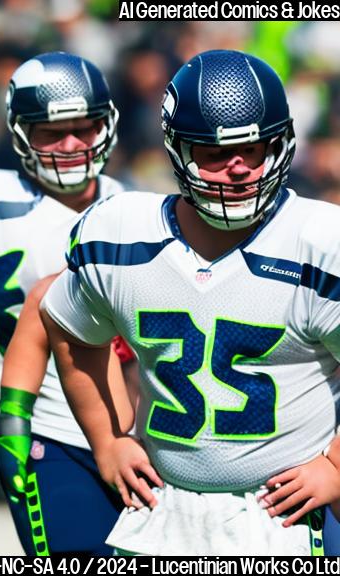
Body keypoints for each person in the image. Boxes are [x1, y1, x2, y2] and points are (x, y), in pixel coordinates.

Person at [40, 49, 340, 555]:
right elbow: (69, 329)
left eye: (254, 148)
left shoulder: (320, 242)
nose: (238, 168)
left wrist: (334, 465)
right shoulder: (120, 235)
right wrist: (108, 439)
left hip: (281, 519)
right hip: (163, 510)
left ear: (282, 145)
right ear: (178, 151)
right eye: (214, 153)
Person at [0, 52, 133, 555]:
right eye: (52, 133)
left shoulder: (130, 208)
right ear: (20, 134)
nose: (73, 145)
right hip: (33, 423)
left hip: (123, 427)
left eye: (85, 127)